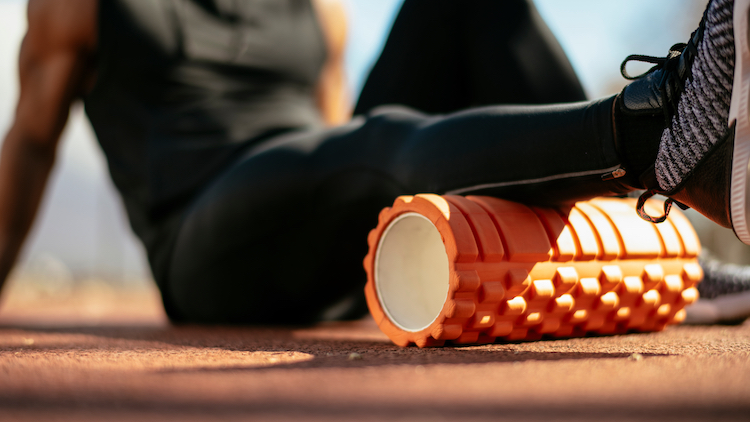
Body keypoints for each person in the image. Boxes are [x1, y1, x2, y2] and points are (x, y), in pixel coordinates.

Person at [1, 0, 748, 324]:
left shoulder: (313, 10)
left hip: (317, 198)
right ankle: (658, 133)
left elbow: (329, 135)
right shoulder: (78, 9)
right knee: (377, 146)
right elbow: (31, 143)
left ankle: (641, 257)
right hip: (207, 244)